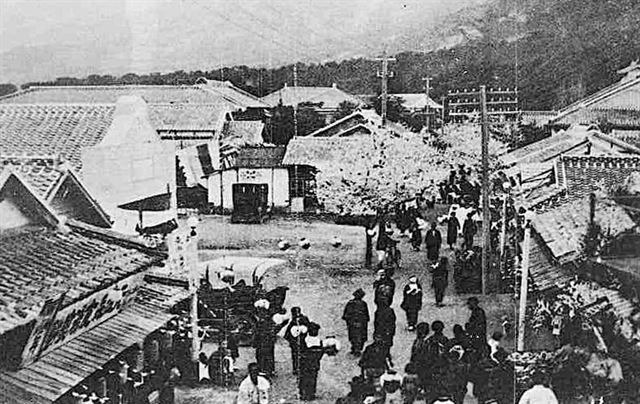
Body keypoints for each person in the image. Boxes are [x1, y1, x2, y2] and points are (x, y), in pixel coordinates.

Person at [299, 323, 325, 401]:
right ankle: (310, 394)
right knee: (312, 379)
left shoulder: (304, 340)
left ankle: (303, 393)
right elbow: (321, 353)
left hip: (305, 364)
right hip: (314, 364)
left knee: (304, 378)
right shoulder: (319, 341)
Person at [343, 288, 370, 356]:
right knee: (361, 336)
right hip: (361, 323)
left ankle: (355, 348)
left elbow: (345, 315)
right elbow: (367, 316)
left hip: (352, 323)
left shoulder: (350, 303)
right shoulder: (363, 304)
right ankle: (358, 348)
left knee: (353, 336)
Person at [284, 306, 310, 375]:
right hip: (303, 341)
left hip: (296, 342)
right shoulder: (304, 319)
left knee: (296, 356)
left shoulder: (293, 321)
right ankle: (301, 368)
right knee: (302, 354)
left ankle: (296, 368)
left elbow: (287, 334)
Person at [253, 309, 277, 377]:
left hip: (264, 342)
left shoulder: (262, 323)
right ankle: (268, 370)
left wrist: (255, 342)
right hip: (265, 342)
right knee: (267, 356)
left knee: (263, 356)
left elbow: (257, 333)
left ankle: (264, 370)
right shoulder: (269, 322)